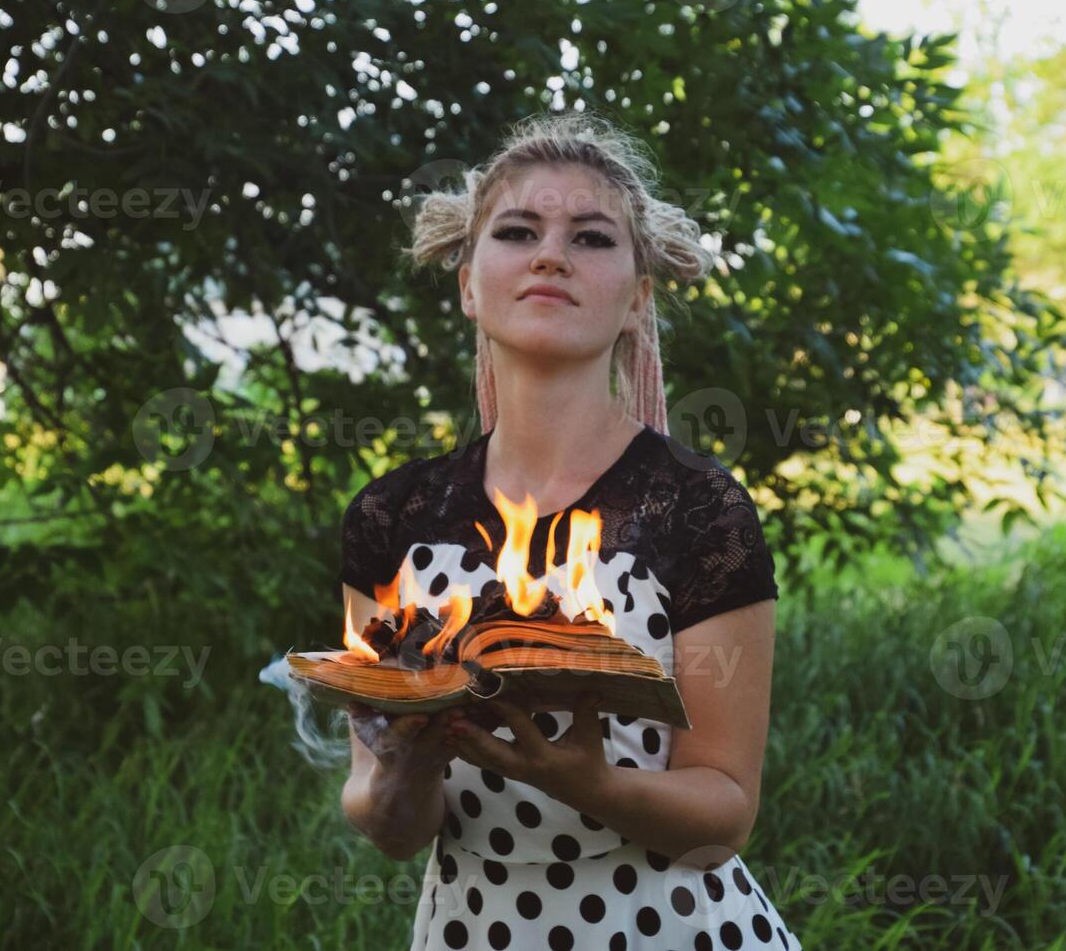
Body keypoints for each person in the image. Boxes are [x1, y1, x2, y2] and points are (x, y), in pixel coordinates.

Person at [338, 110, 801, 951]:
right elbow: (391, 823)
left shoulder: (696, 508)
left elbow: (723, 818)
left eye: (591, 238)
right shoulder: (392, 518)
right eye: (518, 231)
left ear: (637, 296)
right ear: (469, 284)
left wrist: (590, 782)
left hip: (668, 928)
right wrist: (405, 762)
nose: (551, 254)